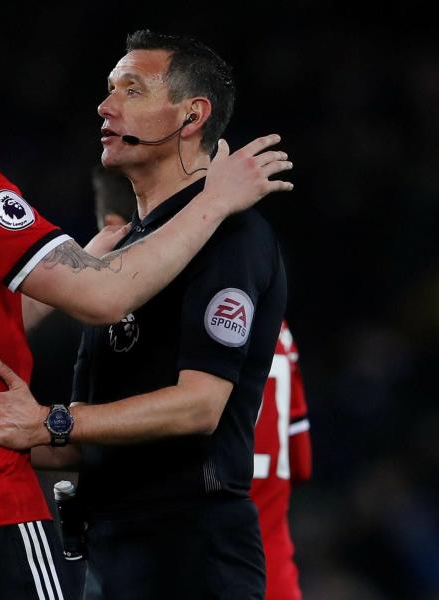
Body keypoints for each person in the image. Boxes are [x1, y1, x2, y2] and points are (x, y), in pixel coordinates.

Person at [0, 13, 293, 599]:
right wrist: (213, 201)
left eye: (130, 90)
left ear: (192, 116)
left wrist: (49, 419)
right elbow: (103, 294)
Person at [86, 170, 314, 600]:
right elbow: (298, 465)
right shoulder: (277, 335)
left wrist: (50, 424)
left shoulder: (146, 337)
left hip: (188, 564)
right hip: (270, 575)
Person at [251, 321, 312, 600]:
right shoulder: (281, 330)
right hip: (274, 579)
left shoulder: (180, 316)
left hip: (196, 570)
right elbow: (301, 465)